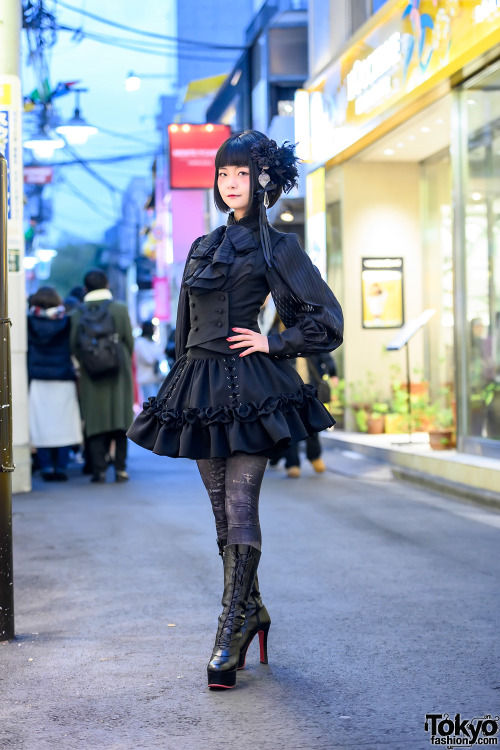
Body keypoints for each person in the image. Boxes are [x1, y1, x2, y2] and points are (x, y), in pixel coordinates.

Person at [127, 130, 343, 689]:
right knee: (222, 515)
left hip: (251, 389)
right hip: (198, 389)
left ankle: (228, 631)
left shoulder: (280, 248)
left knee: (241, 505)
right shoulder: (201, 246)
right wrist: (178, 388)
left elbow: (327, 320)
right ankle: (254, 610)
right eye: (222, 174)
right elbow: (182, 331)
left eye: (240, 173)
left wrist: (275, 342)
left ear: (263, 180)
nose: (228, 183)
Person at [70, 269, 134, 483]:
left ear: (86, 288)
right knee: (121, 419)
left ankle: (98, 471)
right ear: (107, 285)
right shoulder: (120, 309)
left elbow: (74, 345)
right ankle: (121, 469)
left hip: (90, 372)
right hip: (119, 370)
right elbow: (128, 341)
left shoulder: (78, 313)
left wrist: (88, 361)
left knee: (95, 420)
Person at [27, 286, 83, 481]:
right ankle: (61, 467)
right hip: (63, 377)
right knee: (64, 424)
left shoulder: (30, 321)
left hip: (38, 378)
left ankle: (46, 467)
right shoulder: (66, 321)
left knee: (41, 423)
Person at [274, 352, 338, 478]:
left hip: (309, 387)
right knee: (290, 427)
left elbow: (323, 352)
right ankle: (292, 464)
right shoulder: (276, 332)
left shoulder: (307, 333)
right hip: (286, 390)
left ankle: (314, 456)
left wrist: (333, 372)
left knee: (312, 424)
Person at [134, 321, 164, 402]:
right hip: (146, 379)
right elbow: (149, 359)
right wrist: (157, 356)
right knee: (150, 406)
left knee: (158, 405)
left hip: (156, 378)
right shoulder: (140, 342)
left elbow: (161, 355)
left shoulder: (152, 342)